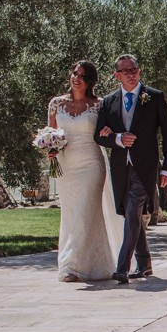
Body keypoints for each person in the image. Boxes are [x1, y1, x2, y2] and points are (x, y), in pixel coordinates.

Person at [94, 54, 167, 284]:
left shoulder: (155, 97)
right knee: (132, 214)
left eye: (134, 69)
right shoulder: (108, 102)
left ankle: (122, 267)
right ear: (116, 75)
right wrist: (118, 139)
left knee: (132, 211)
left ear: (139, 71)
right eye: (125, 71)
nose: (131, 74)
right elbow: (98, 135)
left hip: (146, 167)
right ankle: (145, 263)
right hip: (120, 167)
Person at [46, 60, 120, 282]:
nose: (75, 78)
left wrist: (109, 131)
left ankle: (71, 266)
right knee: (71, 214)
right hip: (66, 165)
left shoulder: (100, 104)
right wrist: (49, 147)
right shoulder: (56, 104)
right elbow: (49, 131)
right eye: (74, 73)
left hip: (91, 164)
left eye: (82, 75)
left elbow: (109, 130)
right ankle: (90, 264)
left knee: (86, 212)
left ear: (90, 81)